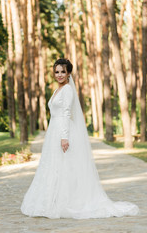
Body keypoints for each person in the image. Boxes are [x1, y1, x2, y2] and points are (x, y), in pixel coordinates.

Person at [21, 58, 139, 219]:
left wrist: (64, 137)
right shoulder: (57, 90)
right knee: (53, 166)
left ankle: (66, 202)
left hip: (62, 132)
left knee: (63, 167)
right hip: (53, 132)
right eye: (57, 72)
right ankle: (53, 200)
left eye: (63, 71)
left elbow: (67, 113)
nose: (60, 75)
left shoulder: (68, 90)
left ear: (69, 73)